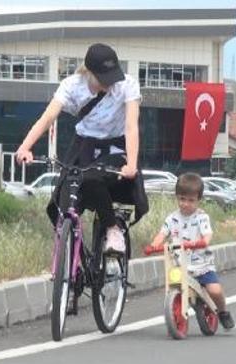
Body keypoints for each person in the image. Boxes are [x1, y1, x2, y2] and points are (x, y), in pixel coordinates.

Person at [16, 43, 148, 253]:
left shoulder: (127, 85)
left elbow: (131, 126)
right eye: (104, 79)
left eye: (112, 77)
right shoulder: (71, 85)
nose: (109, 83)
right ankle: (70, 253)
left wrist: (131, 164)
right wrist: (25, 147)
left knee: (92, 178)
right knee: (67, 193)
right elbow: (48, 117)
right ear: (89, 72)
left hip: (116, 144)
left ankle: (113, 229)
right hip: (84, 143)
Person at [147, 173, 235, 330]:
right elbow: (162, 234)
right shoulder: (172, 218)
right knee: (173, 285)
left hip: (201, 264)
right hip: (180, 264)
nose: (186, 204)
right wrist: (153, 245)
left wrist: (202, 242)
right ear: (177, 197)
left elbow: (207, 235)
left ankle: (223, 312)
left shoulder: (201, 217)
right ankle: (175, 315)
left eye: (191, 200)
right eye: (182, 199)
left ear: (198, 200)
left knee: (214, 290)